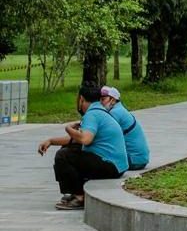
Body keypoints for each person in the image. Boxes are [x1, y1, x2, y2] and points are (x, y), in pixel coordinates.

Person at [37, 82, 128, 210]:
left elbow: (85, 139)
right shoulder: (99, 110)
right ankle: (77, 192)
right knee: (69, 150)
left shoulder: (92, 114)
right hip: (116, 165)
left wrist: (68, 128)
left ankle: (79, 197)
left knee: (63, 156)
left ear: (81, 99)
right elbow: (75, 140)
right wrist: (51, 141)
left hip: (111, 166)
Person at [100, 86, 150, 170]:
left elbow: (104, 134)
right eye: (99, 100)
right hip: (140, 159)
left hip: (134, 160)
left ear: (113, 100)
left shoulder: (115, 113)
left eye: (103, 99)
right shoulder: (120, 109)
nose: (100, 102)